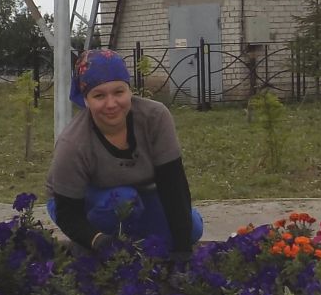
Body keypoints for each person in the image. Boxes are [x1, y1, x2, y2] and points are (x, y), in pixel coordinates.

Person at [46, 48, 203, 259]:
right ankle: (85, 252)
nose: (111, 104)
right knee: (121, 203)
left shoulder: (155, 117)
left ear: (130, 91)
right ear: (86, 100)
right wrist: (97, 240)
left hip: (140, 192)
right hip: (80, 202)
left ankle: (132, 246)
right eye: (99, 95)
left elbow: (173, 185)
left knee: (191, 228)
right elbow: (68, 213)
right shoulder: (73, 143)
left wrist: (183, 251)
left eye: (118, 92)